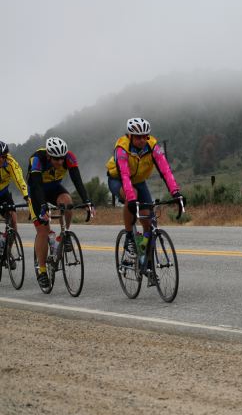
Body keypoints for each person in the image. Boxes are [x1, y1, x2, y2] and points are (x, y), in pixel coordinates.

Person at [106, 117, 183, 274]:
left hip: (139, 181)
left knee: (148, 223)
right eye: (138, 137)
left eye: (145, 136)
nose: (142, 140)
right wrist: (132, 200)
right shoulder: (122, 148)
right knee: (131, 195)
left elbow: (165, 170)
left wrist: (175, 192)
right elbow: (125, 176)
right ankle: (129, 237)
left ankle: (145, 262)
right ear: (130, 136)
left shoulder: (153, 146)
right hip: (118, 179)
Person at [27, 137, 95, 291]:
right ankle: (42, 270)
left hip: (54, 188)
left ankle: (64, 235)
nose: (59, 162)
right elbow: (36, 186)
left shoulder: (69, 157)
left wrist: (87, 201)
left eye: (62, 158)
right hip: (37, 192)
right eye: (56, 159)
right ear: (49, 156)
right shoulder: (37, 159)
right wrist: (43, 206)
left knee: (67, 202)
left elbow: (77, 180)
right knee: (43, 230)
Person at [0, 141, 29, 253]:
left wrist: (26, 196)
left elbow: (19, 179)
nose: (2, 159)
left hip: (4, 193)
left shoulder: (11, 162)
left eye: (3, 156)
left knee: (13, 223)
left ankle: (7, 252)